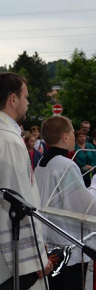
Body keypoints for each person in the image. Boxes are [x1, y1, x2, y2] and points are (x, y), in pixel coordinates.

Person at [0, 72, 52, 290]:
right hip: (12, 249)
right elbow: (17, 203)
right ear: (13, 99)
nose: (27, 102)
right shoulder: (6, 141)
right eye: (25, 97)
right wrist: (34, 257)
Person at [34, 116, 96, 290]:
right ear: (65, 137)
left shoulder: (41, 163)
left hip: (51, 243)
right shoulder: (66, 165)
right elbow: (83, 206)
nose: (75, 137)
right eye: (72, 132)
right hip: (67, 243)